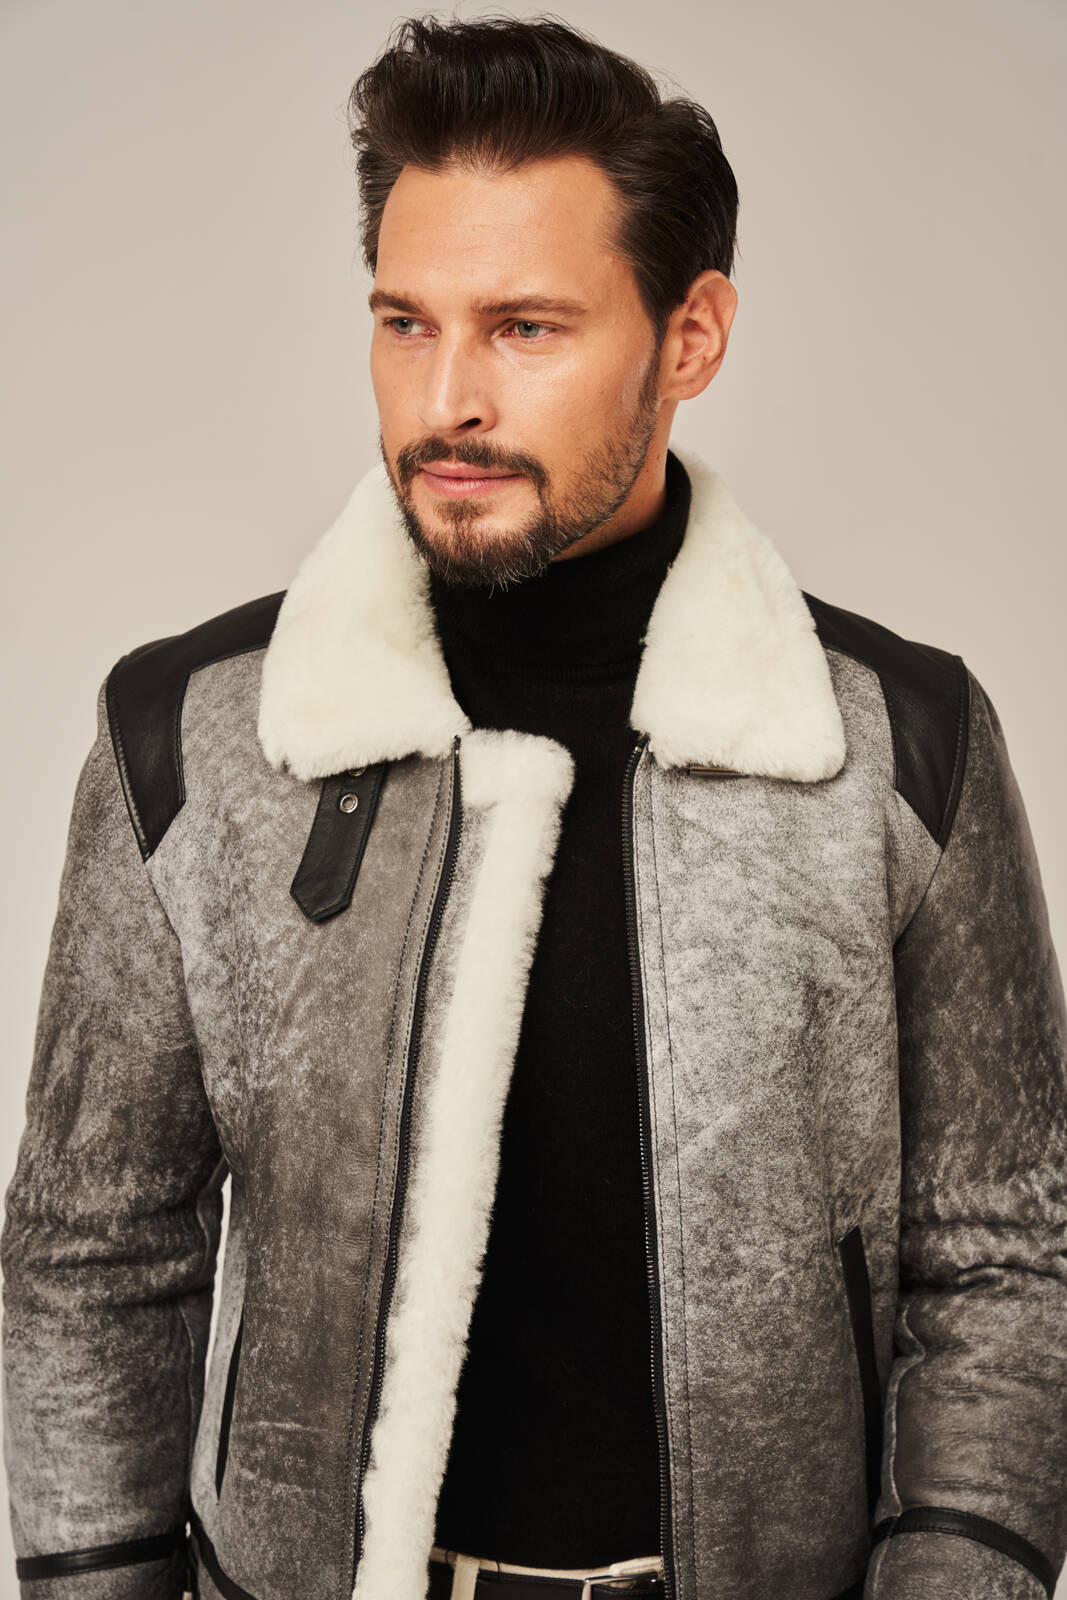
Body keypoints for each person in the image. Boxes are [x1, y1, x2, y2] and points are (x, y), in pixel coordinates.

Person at [3, 13, 1066, 1600]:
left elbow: (1007, 1259)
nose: (449, 399)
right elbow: (95, 1254)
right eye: (405, 322)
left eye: (525, 328)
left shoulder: (898, 746)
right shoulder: (195, 739)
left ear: (691, 337)